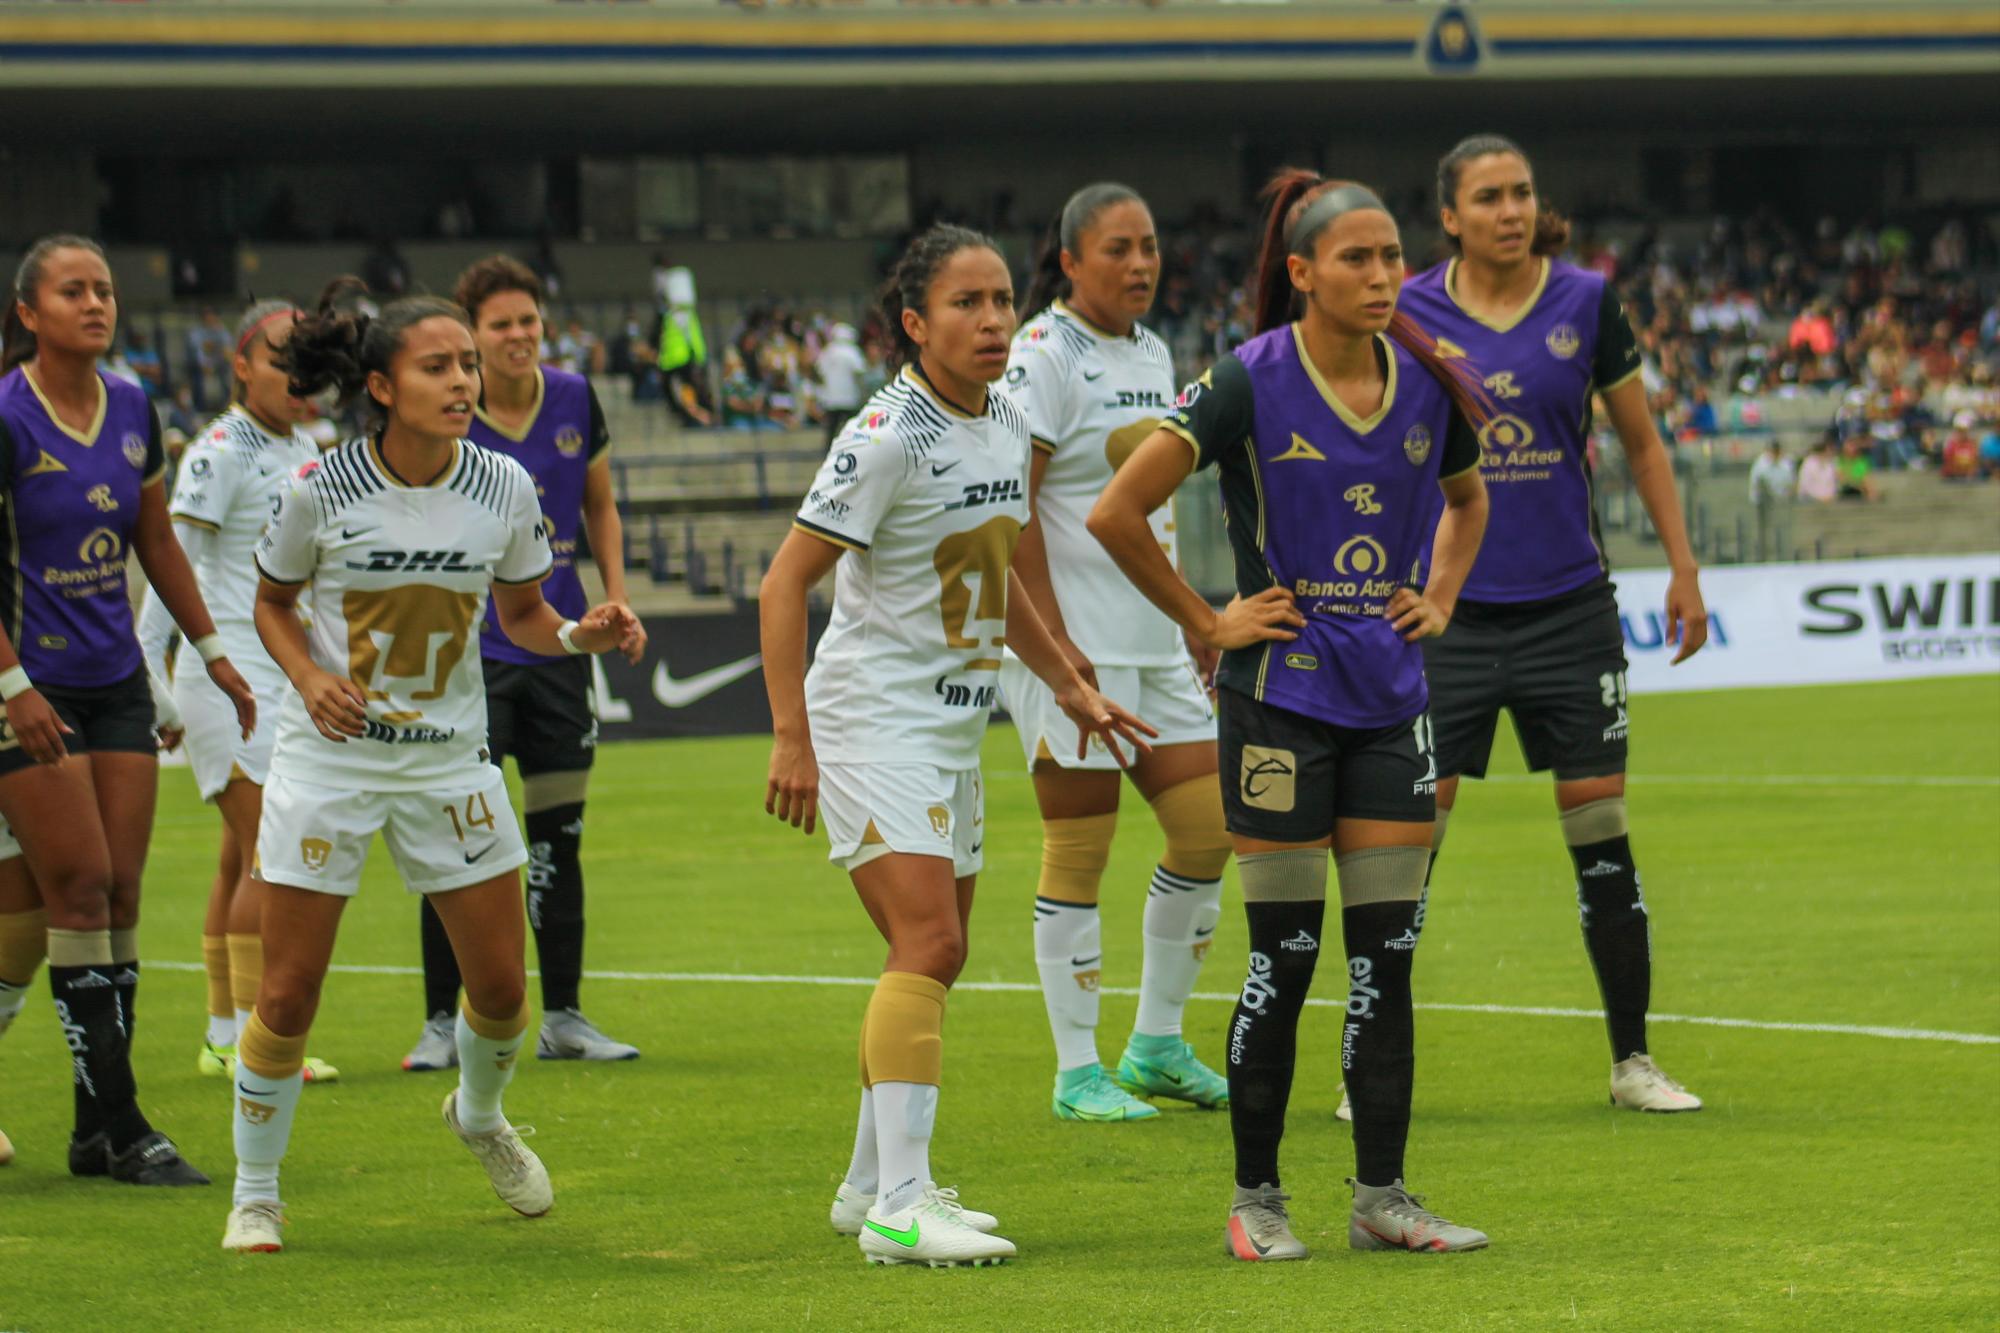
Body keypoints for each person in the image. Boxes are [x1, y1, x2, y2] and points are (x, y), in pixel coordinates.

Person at [1088, 171, 1491, 1261]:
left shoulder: (1425, 383)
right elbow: (1115, 511)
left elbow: (1467, 501)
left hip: (1390, 707)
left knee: (1386, 961)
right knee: (1286, 958)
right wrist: (1206, 620)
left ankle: (1381, 1199)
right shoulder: (1245, 382)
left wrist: (1440, 597)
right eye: (1354, 259)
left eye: (1390, 257)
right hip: (1276, 708)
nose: (1379, 276)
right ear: (1302, 273)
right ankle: (1256, 1202)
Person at [760, 224, 1154, 1268]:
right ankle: (899, 1207)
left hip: (948, 724)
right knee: (927, 945)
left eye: (999, 302)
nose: (990, 322)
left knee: (935, 951)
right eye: (965, 305)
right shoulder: (885, 434)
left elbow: (1008, 568)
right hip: (868, 719)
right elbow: (780, 582)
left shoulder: (1006, 414)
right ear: (912, 324)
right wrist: (791, 737)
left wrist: (1071, 682)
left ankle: (870, 1187)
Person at [221, 277, 641, 1253]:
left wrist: (585, 632)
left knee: (500, 994)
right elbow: (272, 606)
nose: (461, 381)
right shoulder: (314, 493)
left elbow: (525, 615)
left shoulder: (503, 486)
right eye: (437, 366)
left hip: (450, 766)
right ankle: (256, 1191)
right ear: (380, 384)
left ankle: (480, 1115)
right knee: (287, 993)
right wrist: (307, 676)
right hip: (330, 766)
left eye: (465, 364)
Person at [1394, 133, 1709, 1114]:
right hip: (1440, 618)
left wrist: (1682, 567)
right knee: (1403, 850)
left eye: (1521, 192)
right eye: (1486, 196)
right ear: (1448, 214)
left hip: (1567, 610)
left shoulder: (1583, 301)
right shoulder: (1403, 309)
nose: (1509, 210)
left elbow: (1643, 444)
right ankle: (1374, 1070)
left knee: (1600, 832)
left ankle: (1630, 1062)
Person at [0, 234, 256, 1185]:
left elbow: (156, 538)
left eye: (103, 289)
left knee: (119, 898)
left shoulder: (137, 406)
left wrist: (217, 655)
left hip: (114, 684)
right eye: (73, 291)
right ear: (29, 312)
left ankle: (92, 1130)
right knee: (74, 888)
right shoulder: (6, 415)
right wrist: (12, 687)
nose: (96, 304)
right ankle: (125, 1122)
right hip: (28, 687)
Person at [1001, 183, 1234, 1123]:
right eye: (1117, 249)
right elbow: (1011, 508)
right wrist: (1055, 647)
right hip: (1073, 649)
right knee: (1080, 846)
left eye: (1149, 246)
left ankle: (1154, 1045)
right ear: (1069, 262)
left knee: (1211, 827)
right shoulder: (1042, 356)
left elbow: (1151, 501)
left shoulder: (1150, 349)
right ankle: (1075, 1071)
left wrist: (1185, 619)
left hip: (1150, 644)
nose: (1140, 264)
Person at [403, 255, 647, 1073]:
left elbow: (600, 502)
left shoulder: (575, 397)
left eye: (528, 321)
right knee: (460, 845)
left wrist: (614, 599)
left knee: (558, 838)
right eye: (500, 323)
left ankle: (566, 1015)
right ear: (471, 333)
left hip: (557, 644)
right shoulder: (448, 414)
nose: (517, 336)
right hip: (471, 654)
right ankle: (442, 1020)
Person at [136, 301, 340, 1085]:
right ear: (241, 365)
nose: (299, 375)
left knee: (238, 855)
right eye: (283, 357)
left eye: (310, 360)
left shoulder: (306, 446)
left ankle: (224, 1035)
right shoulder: (219, 451)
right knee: (269, 851)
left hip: (275, 673)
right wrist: (150, 666)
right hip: (227, 673)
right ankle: (264, 1042)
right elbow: (170, 564)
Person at [1798, 434, 1840, 503]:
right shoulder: (1808, 463)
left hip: (1829, 501)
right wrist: (1820, 498)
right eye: (1830, 449)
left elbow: (1834, 484)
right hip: (1812, 502)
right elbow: (1805, 485)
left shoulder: (1832, 463)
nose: (1833, 451)